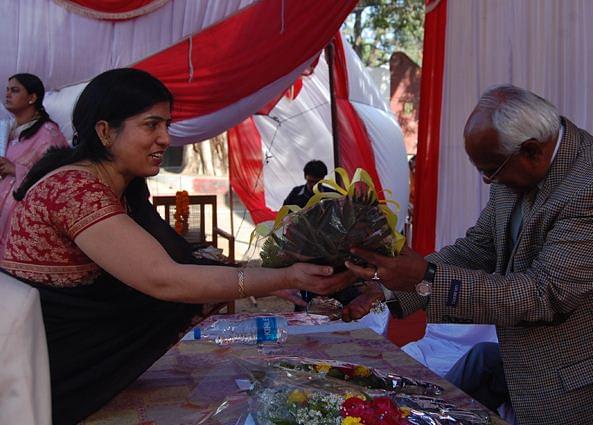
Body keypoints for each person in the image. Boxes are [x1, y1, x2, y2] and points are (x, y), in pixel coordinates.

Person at [0, 68, 348, 425]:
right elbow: (163, 279)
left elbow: (174, 263)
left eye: (167, 125)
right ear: (105, 132)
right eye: (151, 125)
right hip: (38, 361)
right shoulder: (75, 189)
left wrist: (278, 276)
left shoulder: (118, 186)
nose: (165, 138)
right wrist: (282, 277)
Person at [341, 85, 593, 424]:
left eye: (491, 169)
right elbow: (479, 247)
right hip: (533, 371)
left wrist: (427, 278)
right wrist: (388, 288)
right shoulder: (518, 169)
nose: (486, 180)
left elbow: (543, 294)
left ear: (532, 151)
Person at [0, 73, 68, 255]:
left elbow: (58, 177)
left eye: (15, 90)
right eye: (7, 90)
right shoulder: (6, 130)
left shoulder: (48, 133)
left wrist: (15, 169)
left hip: (24, 217)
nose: (7, 94)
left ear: (32, 97)